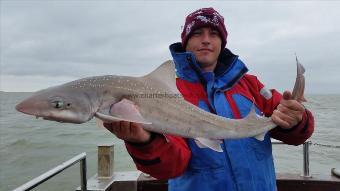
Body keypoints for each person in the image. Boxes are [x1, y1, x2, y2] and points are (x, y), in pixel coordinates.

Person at [104, 7, 314, 191]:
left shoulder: (250, 85)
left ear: (222, 42)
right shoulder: (167, 93)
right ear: (185, 41)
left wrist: (296, 119)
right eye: (197, 33)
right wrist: (144, 142)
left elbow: (297, 135)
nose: (206, 39)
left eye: (213, 33)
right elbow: (171, 166)